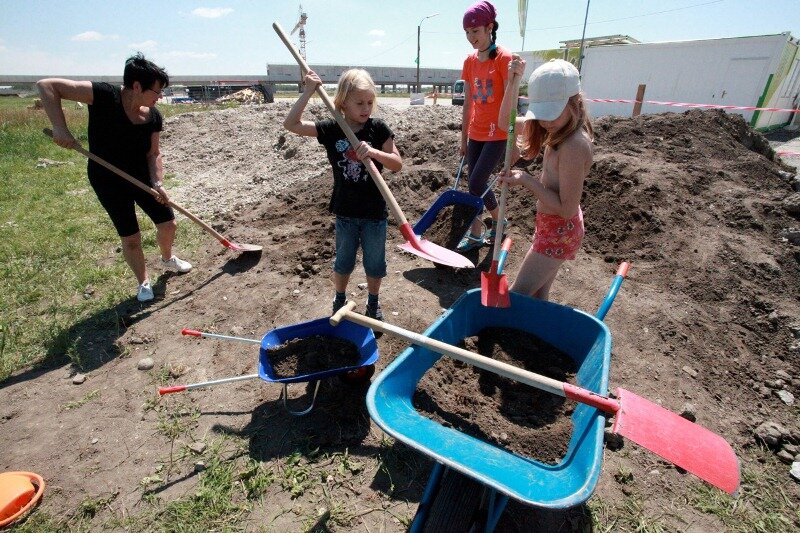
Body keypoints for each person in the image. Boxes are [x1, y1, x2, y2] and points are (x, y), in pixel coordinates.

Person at [37, 53, 192, 303]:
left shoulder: (153, 116)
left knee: (168, 225)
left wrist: (158, 182)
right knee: (131, 238)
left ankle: (167, 259)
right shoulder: (104, 95)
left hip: (142, 178)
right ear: (137, 86)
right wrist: (60, 127)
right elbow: (47, 85)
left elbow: (153, 154)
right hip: (107, 179)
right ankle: (143, 282)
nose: (160, 96)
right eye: (157, 91)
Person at [283, 68, 403, 320]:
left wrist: (373, 152)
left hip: (374, 213)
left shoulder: (378, 128)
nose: (366, 108)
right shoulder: (332, 128)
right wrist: (308, 92)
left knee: (375, 264)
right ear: (342, 102)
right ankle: (339, 298)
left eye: (369, 102)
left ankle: (373, 303)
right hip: (345, 212)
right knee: (344, 261)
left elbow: (396, 163)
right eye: (359, 103)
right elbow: (291, 124)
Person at [498, 58, 594, 300]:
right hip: (551, 227)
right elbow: (505, 124)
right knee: (538, 296)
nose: (546, 121)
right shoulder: (557, 130)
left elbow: (566, 208)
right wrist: (512, 83)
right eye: (542, 114)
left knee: (517, 297)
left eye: (553, 113)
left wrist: (527, 180)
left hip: (560, 231)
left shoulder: (573, 146)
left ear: (575, 102)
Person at [456, 0, 514, 252]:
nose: (471, 37)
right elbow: (468, 103)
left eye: (475, 31)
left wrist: (513, 137)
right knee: (475, 183)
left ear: (490, 27)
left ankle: (481, 231)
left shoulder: (504, 58)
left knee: (477, 182)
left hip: (497, 133)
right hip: (476, 132)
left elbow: (511, 100)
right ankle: (494, 224)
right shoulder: (469, 62)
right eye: (467, 32)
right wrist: (463, 139)